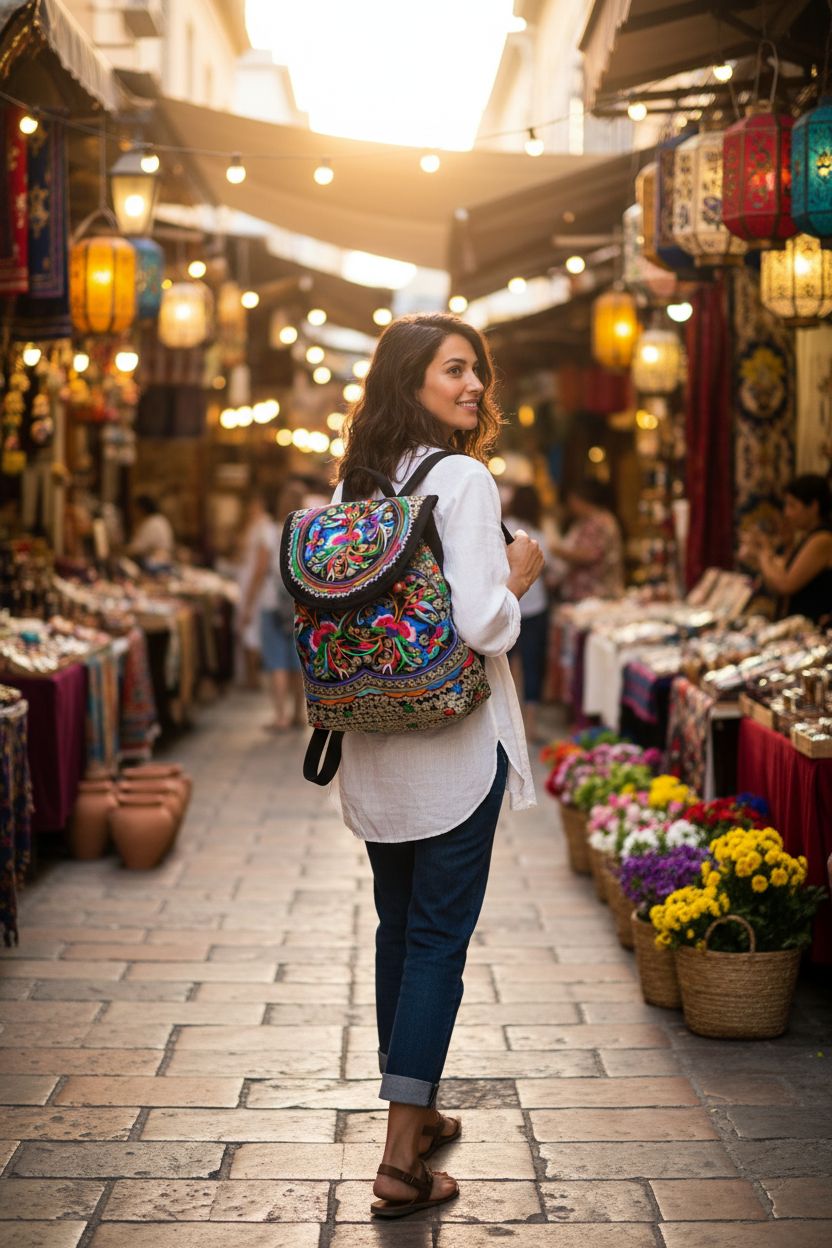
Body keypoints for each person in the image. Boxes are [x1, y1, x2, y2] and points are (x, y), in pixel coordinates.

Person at [331, 313, 543, 1218]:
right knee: (436, 945)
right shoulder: (462, 476)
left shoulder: (361, 483)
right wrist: (519, 575)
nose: (474, 387)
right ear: (410, 379)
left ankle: (417, 1112)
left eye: (479, 372)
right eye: (455, 370)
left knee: (398, 931)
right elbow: (477, 620)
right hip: (455, 747)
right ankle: (398, 1163)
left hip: (379, 745)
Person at [240, 481, 306, 729]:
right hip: (299, 602)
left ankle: (280, 716)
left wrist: (247, 605)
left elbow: (259, 570)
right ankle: (299, 714)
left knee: (276, 660)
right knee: (298, 661)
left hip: (270, 600)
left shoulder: (270, 531)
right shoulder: (304, 529)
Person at [740, 474, 832, 624]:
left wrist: (763, 551)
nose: (787, 513)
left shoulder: (823, 539)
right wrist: (764, 551)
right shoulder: (808, 537)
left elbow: (786, 584)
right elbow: (779, 574)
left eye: (793, 505)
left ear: (813, 506)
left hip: (811, 629)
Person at [504, 483, 551, 743]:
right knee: (533, 666)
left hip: (510, 602)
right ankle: (530, 726)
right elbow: (547, 565)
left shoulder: (502, 526)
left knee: (504, 666)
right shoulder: (539, 533)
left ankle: (510, 727)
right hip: (535, 606)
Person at [551, 479, 624, 602]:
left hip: (597, 594)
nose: (571, 507)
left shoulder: (600, 522)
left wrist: (557, 551)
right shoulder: (586, 521)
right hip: (586, 594)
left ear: (580, 500)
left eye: (572, 501)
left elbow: (591, 555)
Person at [234, 492, 276, 690]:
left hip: (255, 588)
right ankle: (249, 677)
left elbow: (261, 564)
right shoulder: (254, 527)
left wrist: (251, 595)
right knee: (247, 630)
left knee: (251, 631)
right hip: (247, 585)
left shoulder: (264, 528)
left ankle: (254, 677)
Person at [127, 495, 175, 566]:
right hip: (166, 559)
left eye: (135, 509)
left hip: (157, 562)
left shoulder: (151, 522)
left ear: (141, 509)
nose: (133, 512)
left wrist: (122, 550)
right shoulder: (161, 519)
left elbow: (137, 548)